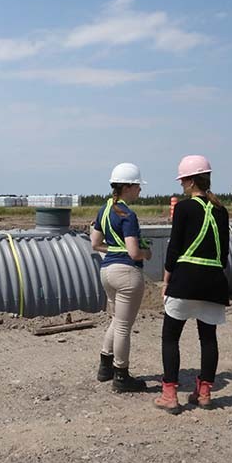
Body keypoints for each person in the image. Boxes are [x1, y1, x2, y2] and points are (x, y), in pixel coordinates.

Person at [154, 156, 230, 414]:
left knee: (170, 336)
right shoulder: (221, 210)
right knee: (208, 337)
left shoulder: (185, 209)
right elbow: (225, 253)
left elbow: (174, 247)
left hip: (186, 279)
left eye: (183, 180)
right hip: (214, 281)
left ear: (189, 180)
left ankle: (169, 394)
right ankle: (205, 392)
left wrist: (167, 280)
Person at [90, 162, 152, 392]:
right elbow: (134, 252)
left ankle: (105, 367)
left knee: (116, 320)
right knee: (124, 326)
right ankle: (121, 375)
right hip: (127, 272)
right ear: (127, 187)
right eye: (137, 186)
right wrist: (147, 252)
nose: (140, 190)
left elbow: (95, 243)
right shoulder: (127, 214)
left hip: (107, 271)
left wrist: (114, 251)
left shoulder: (104, 210)